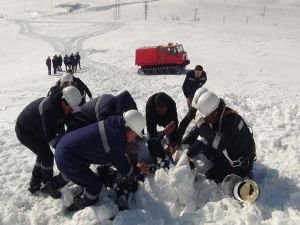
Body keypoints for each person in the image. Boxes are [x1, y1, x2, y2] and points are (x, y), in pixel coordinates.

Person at [41, 110, 150, 211]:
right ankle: (81, 204)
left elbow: (112, 145)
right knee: (94, 185)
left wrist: (124, 146)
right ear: (130, 130)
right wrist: (138, 170)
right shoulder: (115, 141)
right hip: (68, 158)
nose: (134, 138)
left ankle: (52, 185)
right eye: (135, 135)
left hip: (65, 146)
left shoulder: (115, 121)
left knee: (74, 170)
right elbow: (125, 169)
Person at [15, 86, 82, 194]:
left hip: (36, 127)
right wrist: (67, 151)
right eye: (70, 108)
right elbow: (52, 138)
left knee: (42, 153)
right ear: (63, 102)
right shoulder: (49, 110)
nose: (71, 111)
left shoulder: (61, 104)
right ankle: (48, 184)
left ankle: (35, 183)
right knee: (47, 156)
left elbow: (70, 121)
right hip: (25, 131)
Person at [181, 88, 256, 183]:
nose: (206, 120)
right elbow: (204, 137)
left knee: (210, 175)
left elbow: (220, 144)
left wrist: (202, 125)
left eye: (206, 118)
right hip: (229, 150)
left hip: (240, 164)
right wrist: (188, 154)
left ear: (214, 113)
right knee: (206, 146)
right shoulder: (217, 116)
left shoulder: (230, 120)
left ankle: (245, 174)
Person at [67, 90, 137, 132]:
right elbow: (105, 136)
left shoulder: (112, 99)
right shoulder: (105, 112)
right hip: (78, 123)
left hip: (83, 117)